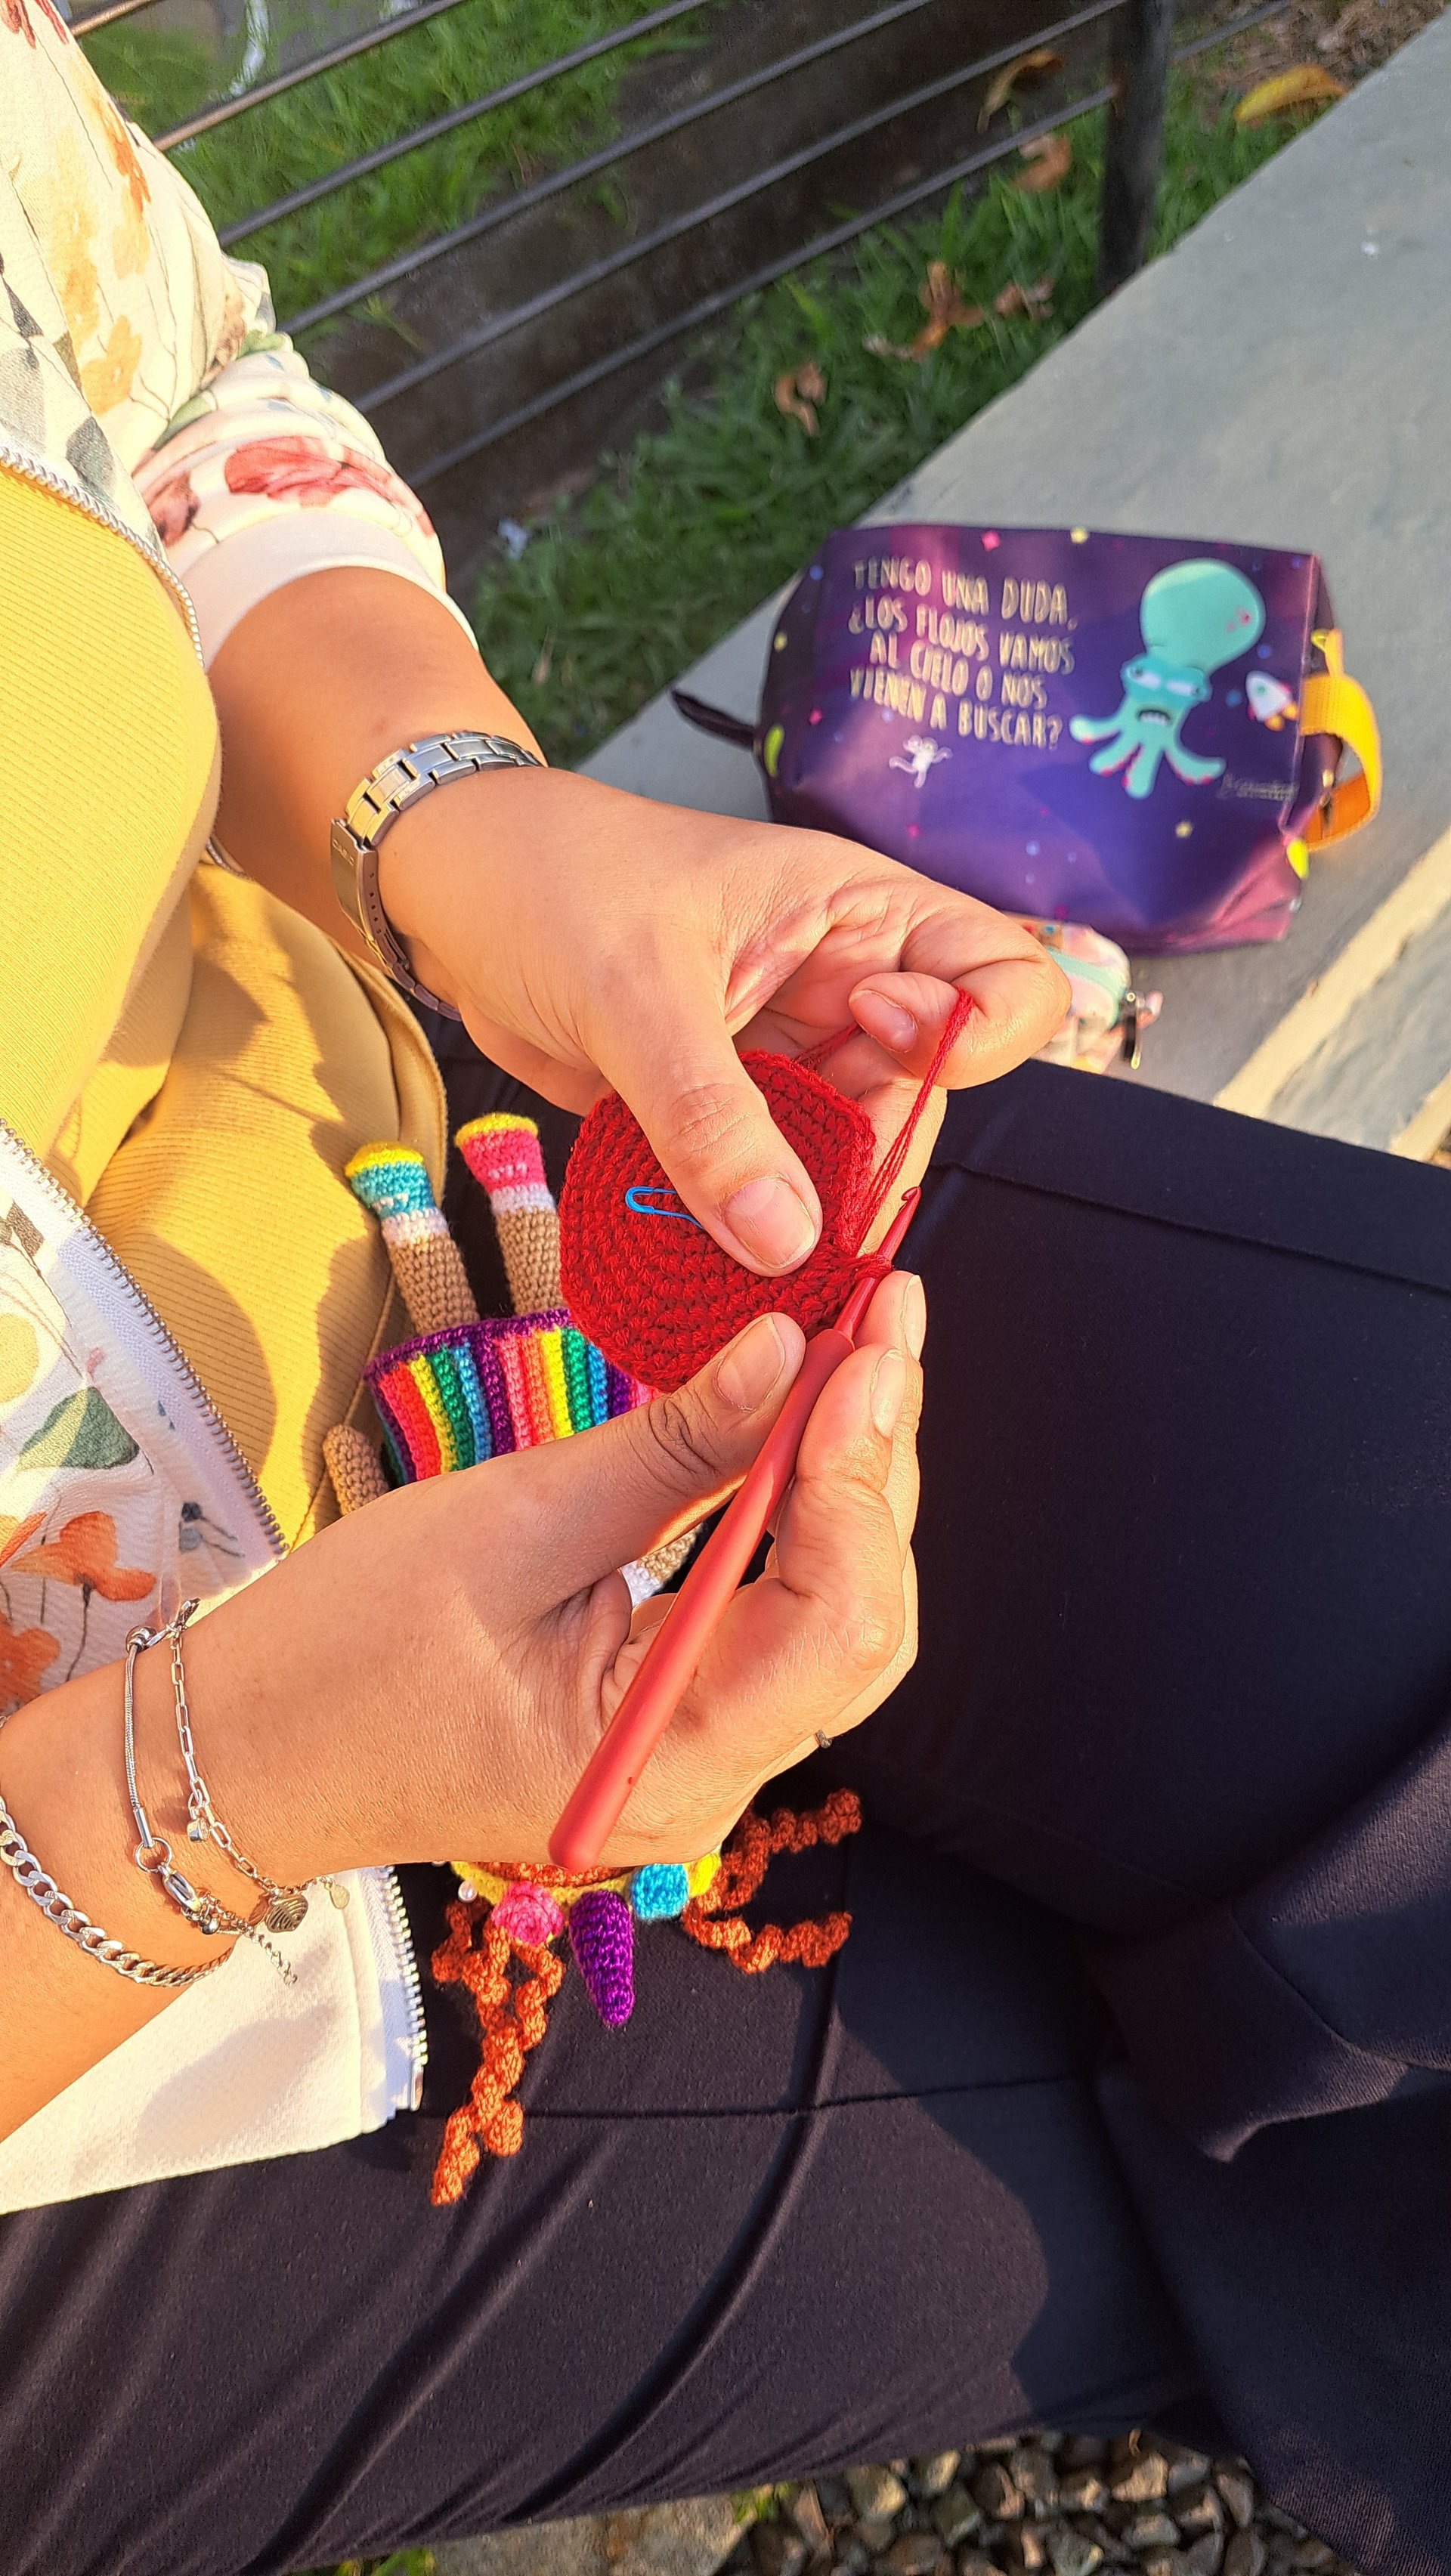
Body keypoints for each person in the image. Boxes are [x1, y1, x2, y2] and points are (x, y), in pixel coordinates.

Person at [0, 20, 1446, 2576]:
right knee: (1151, 2171)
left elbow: (172, 383)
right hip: (102, 2014)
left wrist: (473, 828)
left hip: (417, 1183)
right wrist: (224, 1786)